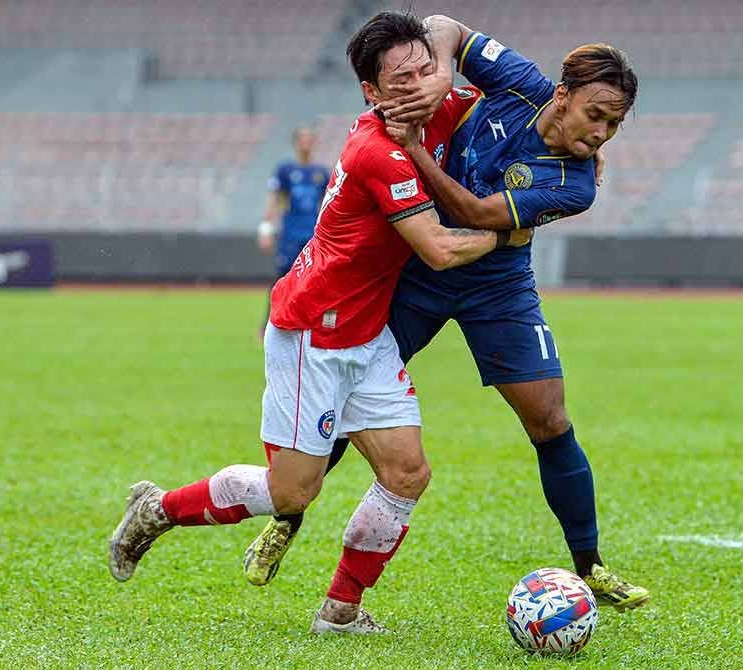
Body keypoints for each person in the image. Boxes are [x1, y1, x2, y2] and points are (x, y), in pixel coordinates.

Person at [108, 11, 529, 635]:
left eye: (424, 70)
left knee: (407, 472)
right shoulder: (375, 152)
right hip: (314, 331)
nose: (418, 85)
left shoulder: (444, 104)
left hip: (367, 332)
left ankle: (341, 610)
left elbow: (518, 99)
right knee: (291, 493)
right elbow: (437, 249)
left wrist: (575, 154)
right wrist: (514, 231)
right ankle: (158, 508)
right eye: (400, 78)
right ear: (371, 92)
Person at [244, 14, 649, 613]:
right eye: (596, 115)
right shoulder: (519, 82)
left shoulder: (578, 182)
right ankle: (288, 514)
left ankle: (589, 566)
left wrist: (413, 149)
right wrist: (437, 74)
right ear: (562, 95)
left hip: (498, 288)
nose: (603, 133)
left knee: (550, 421)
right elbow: (442, 25)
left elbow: (477, 212)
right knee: (354, 390)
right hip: (421, 273)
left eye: (614, 123)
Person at [258, 128, 329, 333]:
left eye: (309, 139)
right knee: (282, 277)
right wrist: (266, 228)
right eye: (302, 140)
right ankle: (268, 325)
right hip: (290, 233)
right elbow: (274, 200)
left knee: (315, 279)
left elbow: (327, 204)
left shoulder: (321, 173)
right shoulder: (285, 170)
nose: (305, 144)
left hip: (312, 234)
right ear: (296, 143)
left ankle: (311, 325)